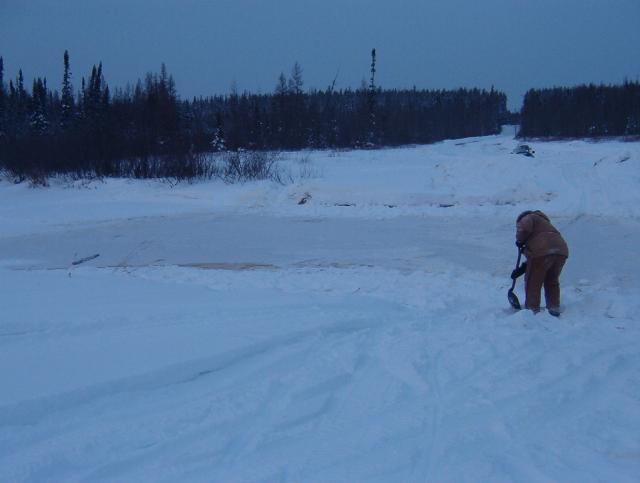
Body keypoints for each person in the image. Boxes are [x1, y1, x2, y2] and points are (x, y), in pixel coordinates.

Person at [512, 210, 569, 316]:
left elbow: (524, 228)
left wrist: (519, 240)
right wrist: (522, 268)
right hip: (561, 251)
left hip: (543, 250)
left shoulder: (529, 217)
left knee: (533, 281)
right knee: (551, 280)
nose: (518, 228)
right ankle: (554, 307)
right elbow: (535, 258)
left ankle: (532, 310)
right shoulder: (545, 225)